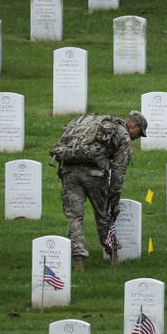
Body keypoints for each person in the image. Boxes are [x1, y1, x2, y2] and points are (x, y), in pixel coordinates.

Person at [49, 110, 147, 271]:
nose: (137, 138)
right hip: (94, 174)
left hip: (69, 170)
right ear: (134, 125)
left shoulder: (95, 125)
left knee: (74, 217)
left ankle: (78, 261)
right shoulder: (123, 136)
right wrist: (114, 202)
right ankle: (113, 255)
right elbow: (118, 173)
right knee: (103, 215)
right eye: (139, 133)